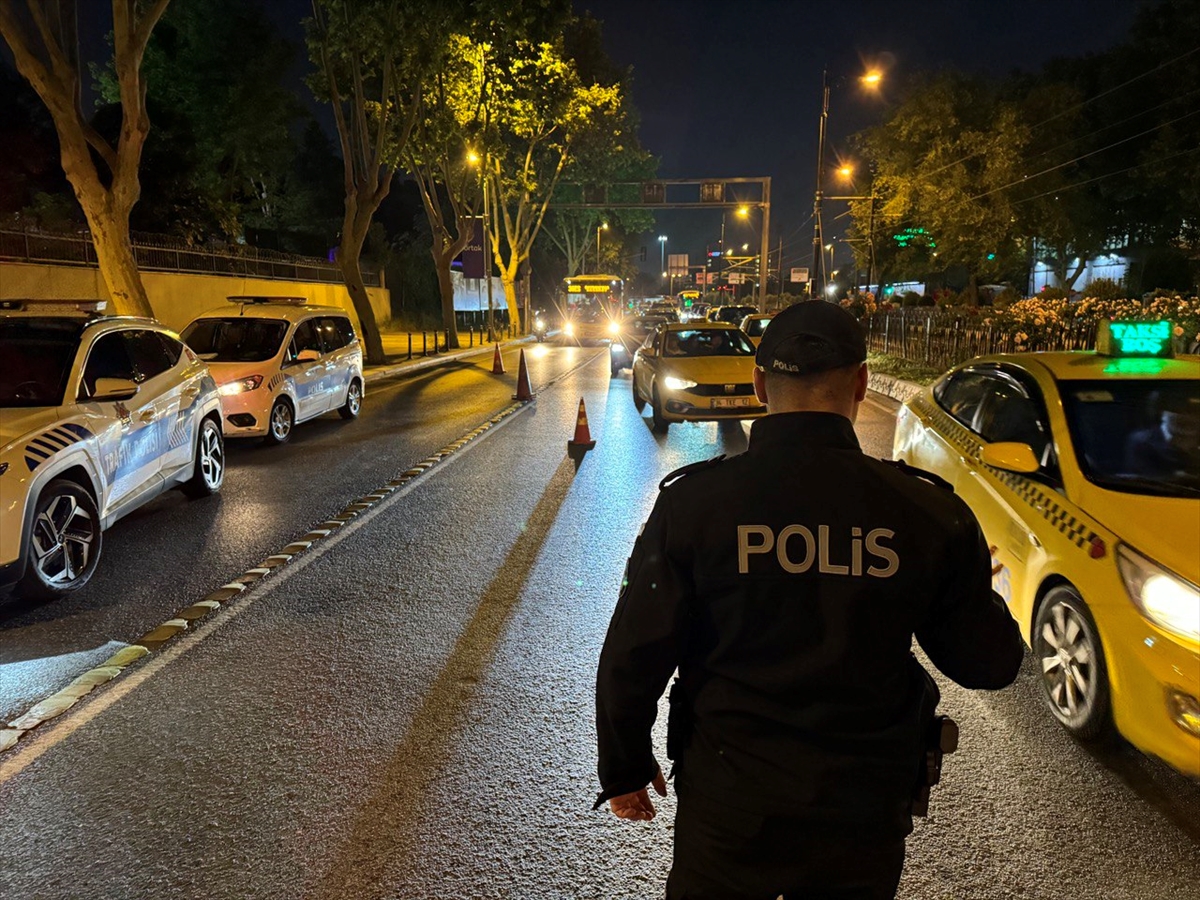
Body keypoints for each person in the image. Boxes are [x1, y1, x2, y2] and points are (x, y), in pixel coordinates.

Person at [594, 301, 1025, 900]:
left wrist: (624, 765)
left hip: (728, 801)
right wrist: (986, 589)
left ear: (760, 383)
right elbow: (990, 664)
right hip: (862, 809)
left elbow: (634, 650)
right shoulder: (926, 512)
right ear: (861, 383)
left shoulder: (696, 506)